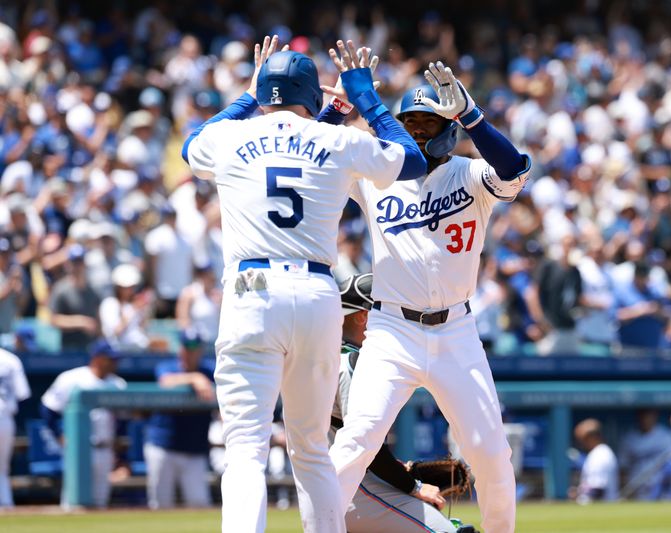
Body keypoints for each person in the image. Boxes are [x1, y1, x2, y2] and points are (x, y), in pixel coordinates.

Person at [182, 36, 425, 533]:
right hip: (317, 296)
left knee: (246, 449)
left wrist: (248, 95)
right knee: (312, 449)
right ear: (313, 96)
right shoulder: (337, 140)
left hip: (252, 292)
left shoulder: (232, 136)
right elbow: (412, 162)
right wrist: (366, 100)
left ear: (263, 92)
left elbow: (192, 146)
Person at [329, 60, 530, 533]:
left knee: (490, 453)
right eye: (410, 122)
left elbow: (515, 170)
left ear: (448, 126)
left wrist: (473, 117)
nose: (418, 130)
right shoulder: (378, 172)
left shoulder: (470, 173)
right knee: (356, 441)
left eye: (429, 121)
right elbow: (320, 155)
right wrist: (339, 108)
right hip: (391, 330)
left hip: (456, 331)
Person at [333, 273, 475, 533]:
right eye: (382, 309)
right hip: (358, 493)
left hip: (338, 489)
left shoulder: (324, 361)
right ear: (363, 316)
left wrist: (399, 470)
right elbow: (364, 446)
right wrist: (413, 486)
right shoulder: (353, 364)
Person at [40, 339, 127, 508]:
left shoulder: (117, 384)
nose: (115, 363)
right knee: (74, 504)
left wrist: (121, 457)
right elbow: (48, 409)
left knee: (101, 504)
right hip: (79, 449)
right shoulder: (72, 378)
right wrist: (60, 436)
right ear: (98, 358)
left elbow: (122, 422)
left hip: (105, 449)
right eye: (111, 359)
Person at [144, 327, 214, 509]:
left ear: (200, 350)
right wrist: (194, 378)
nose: (189, 352)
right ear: (180, 348)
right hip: (163, 447)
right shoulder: (167, 366)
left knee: (199, 504)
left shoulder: (209, 369)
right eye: (186, 347)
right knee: (160, 505)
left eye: (194, 348)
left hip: (194, 450)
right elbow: (165, 382)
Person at [48, 244, 101, 351]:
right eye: (74, 262)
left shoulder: (93, 291)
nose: (77, 266)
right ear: (68, 264)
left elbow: (98, 322)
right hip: (68, 349)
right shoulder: (61, 289)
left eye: (79, 262)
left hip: (89, 348)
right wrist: (81, 322)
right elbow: (54, 320)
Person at [618, 408, 671, 500]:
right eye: (643, 416)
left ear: (655, 417)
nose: (645, 419)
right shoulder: (630, 438)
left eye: (648, 416)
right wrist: (624, 488)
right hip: (636, 488)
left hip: (659, 487)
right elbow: (623, 466)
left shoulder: (666, 436)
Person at [0, 345, 30, 508]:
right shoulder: (10, 359)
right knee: (2, 469)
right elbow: (23, 395)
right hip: (4, 418)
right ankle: (5, 505)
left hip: (5, 416)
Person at [571, 418, 618, 504]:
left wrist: (579, 496)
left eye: (582, 439)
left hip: (602, 509)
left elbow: (597, 489)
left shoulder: (601, 455)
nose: (581, 443)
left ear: (592, 437)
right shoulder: (597, 453)